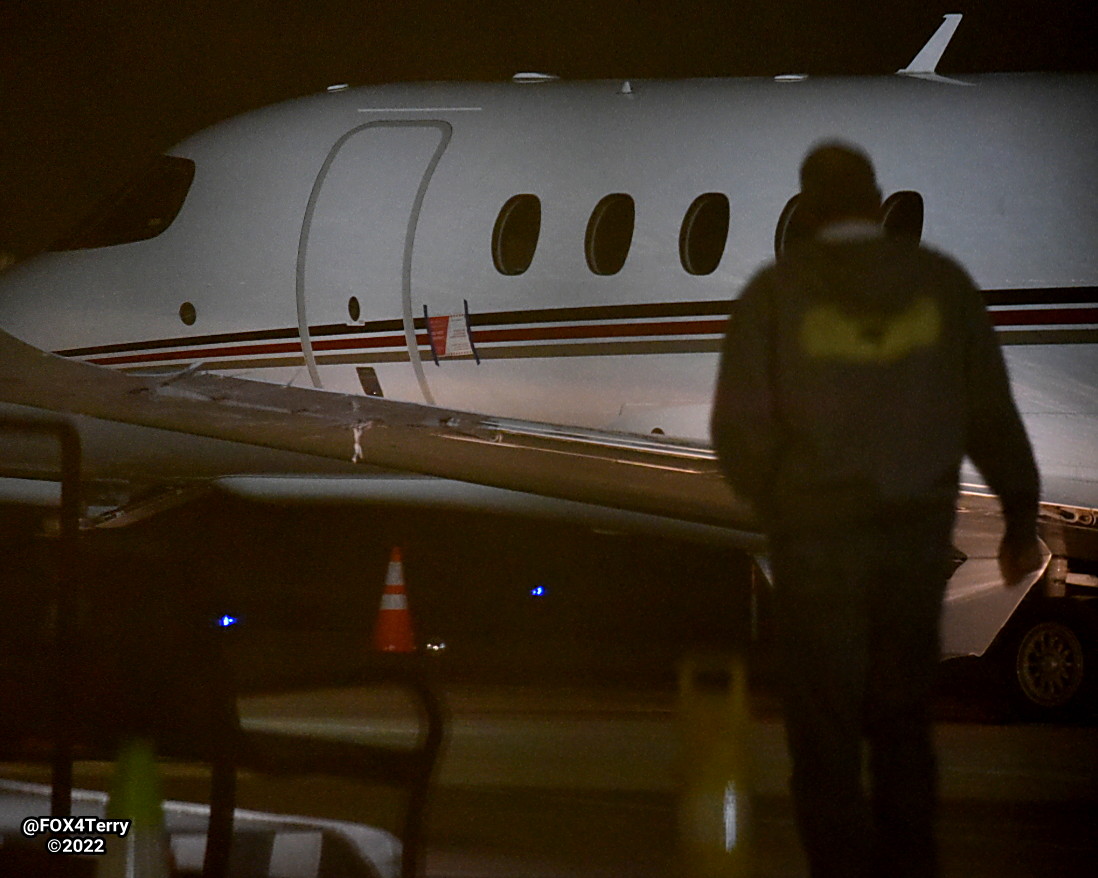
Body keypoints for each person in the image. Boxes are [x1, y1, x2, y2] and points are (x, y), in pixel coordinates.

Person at [710, 142, 1043, 878]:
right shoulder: (944, 287)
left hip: (820, 553)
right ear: (872, 202)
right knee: (901, 734)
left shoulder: (776, 293)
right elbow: (991, 415)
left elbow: (735, 427)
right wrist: (1020, 516)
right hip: (910, 550)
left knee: (824, 739)